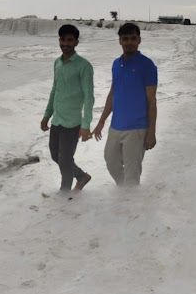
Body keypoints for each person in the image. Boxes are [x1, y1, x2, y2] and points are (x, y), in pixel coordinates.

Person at [91, 22, 160, 186]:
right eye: (125, 38)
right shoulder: (116, 64)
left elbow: (152, 101)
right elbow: (113, 93)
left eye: (133, 38)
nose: (129, 42)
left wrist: (151, 132)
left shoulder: (147, 65)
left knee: (132, 174)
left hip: (137, 128)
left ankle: (130, 198)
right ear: (120, 41)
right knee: (111, 162)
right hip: (116, 126)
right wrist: (101, 122)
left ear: (139, 40)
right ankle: (124, 194)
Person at [39, 23, 95, 195]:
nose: (65, 44)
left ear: (76, 42)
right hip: (57, 120)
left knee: (65, 160)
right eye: (62, 40)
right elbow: (54, 90)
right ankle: (81, 176)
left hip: (72, 123)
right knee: (55, 155)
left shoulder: (84, 66)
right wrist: (47, 115)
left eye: (70, 40)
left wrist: (86, 125)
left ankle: (65, 194)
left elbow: (89, 97)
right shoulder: (57, 63)